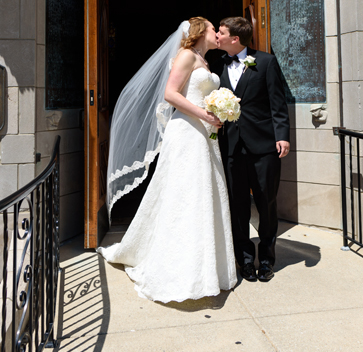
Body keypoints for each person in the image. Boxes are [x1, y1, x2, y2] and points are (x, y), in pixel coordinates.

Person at [98, 18, 237, 302]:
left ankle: (207, 266)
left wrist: (218, 113)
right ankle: (178, 268)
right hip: (186, 132)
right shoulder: (186, 55)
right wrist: (204, 114)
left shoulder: (205, 61)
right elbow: (170, 94)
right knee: (183, 195)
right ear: (200, 32)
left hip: (204, 135)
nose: (217, 33)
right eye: (213, 28)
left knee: (203, 196)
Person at [215, 17, 291, 283]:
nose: (216, 35)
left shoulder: (266, 62)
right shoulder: (217, 65)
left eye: (221, 32)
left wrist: (282, 136)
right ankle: (245, 260)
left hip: (265, 147)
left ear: (235, 39)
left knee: (266, 204)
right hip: (232, 148)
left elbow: (277, 103)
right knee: (237, 207)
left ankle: (267, 259)